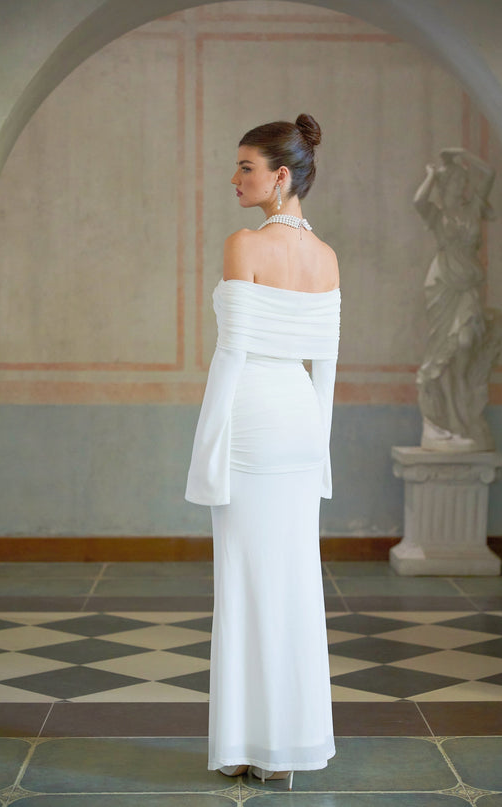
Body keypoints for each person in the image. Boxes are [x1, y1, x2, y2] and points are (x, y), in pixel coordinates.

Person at [185, 114, 340, 789]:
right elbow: (327, 369)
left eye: (246, 166)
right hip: (301, 421)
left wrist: (206, 452)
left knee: (244, 585)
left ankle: (247, 744)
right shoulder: (329, 258)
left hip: (250, 417)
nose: (234, 177)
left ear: (281, 175)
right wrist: (322, 452)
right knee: (296, 582)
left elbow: (230, 358)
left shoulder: (243, 245)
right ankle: (290, 747)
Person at [413, 147, 501, 451]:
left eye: (463, 183)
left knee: (464, 345)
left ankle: (464, 417)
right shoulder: (439, 216)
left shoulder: (473, 209)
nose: (462, 188)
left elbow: (489, 174)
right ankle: (452, 419)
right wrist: (431, 176)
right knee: (444, 354)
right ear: (445, 186)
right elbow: (418, 201)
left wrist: (464, 154)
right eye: (456, 183)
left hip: (466, 289)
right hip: (442, 286)